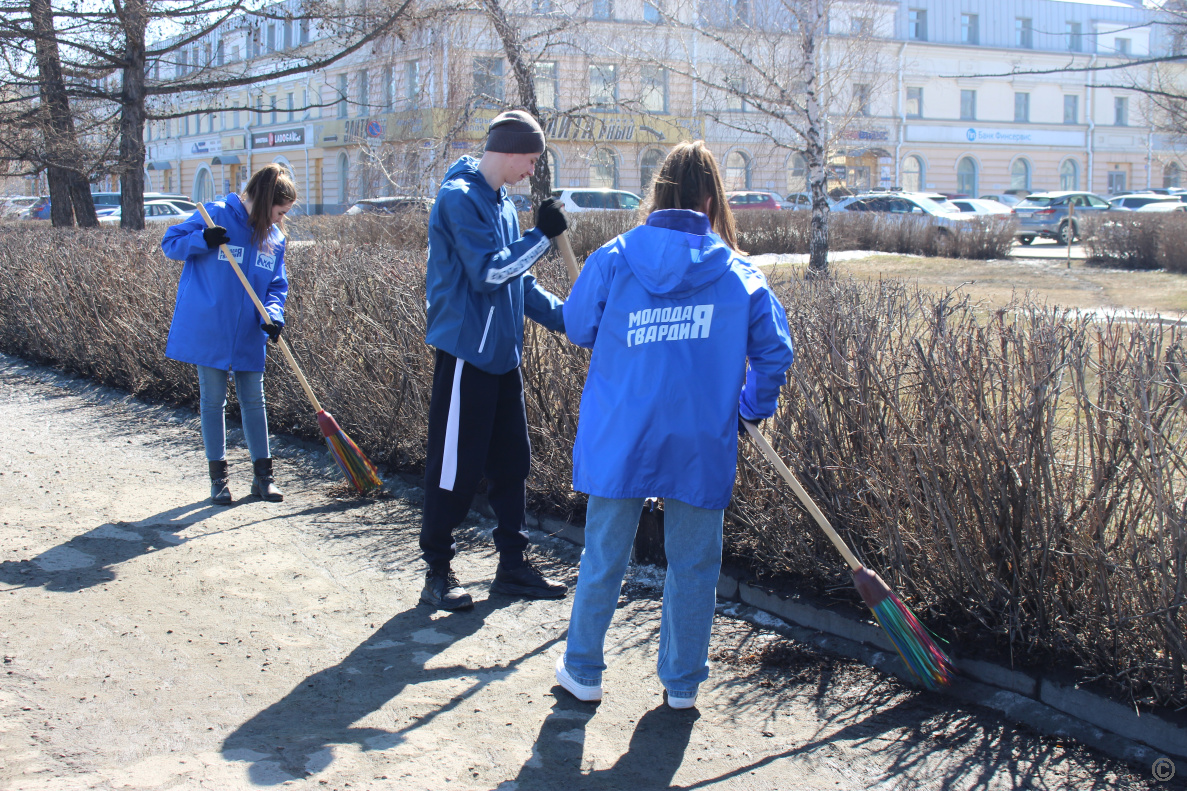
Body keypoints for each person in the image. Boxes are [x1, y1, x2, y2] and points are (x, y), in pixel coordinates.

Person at [555, 141, 795, 709]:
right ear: (711, 199)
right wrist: (750, 407)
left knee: (604, 554)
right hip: (698, 438)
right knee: (694, 562)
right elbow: (775, 353)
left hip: (623, 433)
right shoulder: (738, 274)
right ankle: (682, 683)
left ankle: (583, 669)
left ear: (658, 193)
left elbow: (577, 326)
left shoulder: (613, 258)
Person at [419, 110, 571, 610]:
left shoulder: (504, 203)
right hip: (467, 355)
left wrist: (569, 320)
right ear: (509, 151)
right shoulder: (459, 200)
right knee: (454, 469)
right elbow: (489, 273)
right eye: (530, 160)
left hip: (503, 355)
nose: (531, 171)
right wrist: (543, 238)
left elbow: (518, 281)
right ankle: (438, 571)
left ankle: (512, 567)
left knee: (512, 463)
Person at [161, 164, 296, 506]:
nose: (281, 220)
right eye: (280, 212)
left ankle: (263, 479)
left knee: (255, 400)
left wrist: (274, 315)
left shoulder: (273, 239)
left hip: (250, 331)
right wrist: (202, 239)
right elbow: (171, 243)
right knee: (213, 400)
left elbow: (277, 286)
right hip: (212, 328)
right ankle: (218, 481)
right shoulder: (217, 215)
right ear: (267, 202)